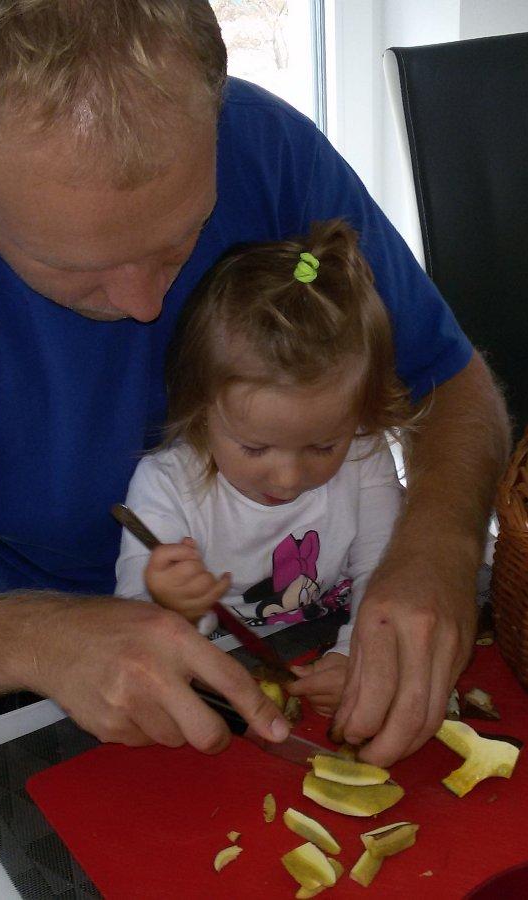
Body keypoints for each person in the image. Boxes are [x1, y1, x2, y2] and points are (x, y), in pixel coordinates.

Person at [0, 0, 508, 766]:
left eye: (182, 236)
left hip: (310, 626)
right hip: (52, 687)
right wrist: (41, 638)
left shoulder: (267, 148)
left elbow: (450, 384)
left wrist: (436, 551)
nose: (145, 303)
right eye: (72, 265)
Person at [116, 219, 409, 716]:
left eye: (323, 446)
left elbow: (384, 571)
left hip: (330, 640)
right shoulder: (167, 486)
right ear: (201, 411)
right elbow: (131, 632)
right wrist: (170, 605)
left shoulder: (363, 451)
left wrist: (354, 655)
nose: (288, 479)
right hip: (216, 677)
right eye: (255, 448)